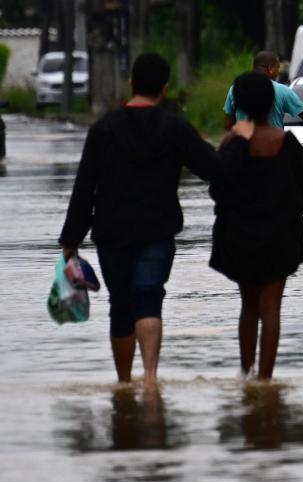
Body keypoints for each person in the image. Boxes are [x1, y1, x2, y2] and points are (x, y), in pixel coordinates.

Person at [58, 53, 254, 386]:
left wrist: (70, 240)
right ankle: (150, 379)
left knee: (121, 305)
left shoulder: (103, 129)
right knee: (149, 296)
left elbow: (84, 187)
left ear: (132, 82)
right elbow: (214, 169)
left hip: (111, 232)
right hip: (157, 232)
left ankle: (124, 383)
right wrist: (238, 140)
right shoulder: (174, 127)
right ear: (164, 89)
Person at [210, 72, 303, 380]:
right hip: (280, 236)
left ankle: (246, 373)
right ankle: (265, 380)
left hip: (240, 236)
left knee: (248, 306)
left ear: (238, 103)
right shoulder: (287, 142)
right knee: (271, 308)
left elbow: (218, 187)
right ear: (272, 102)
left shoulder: (231, 142)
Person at [223, 50, 303, 139]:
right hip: (272, 149)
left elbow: (228, 125)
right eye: (278, 68)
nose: (279, 72)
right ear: (270, 69)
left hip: (243, 151)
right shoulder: (282, 90)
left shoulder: (234, 89)